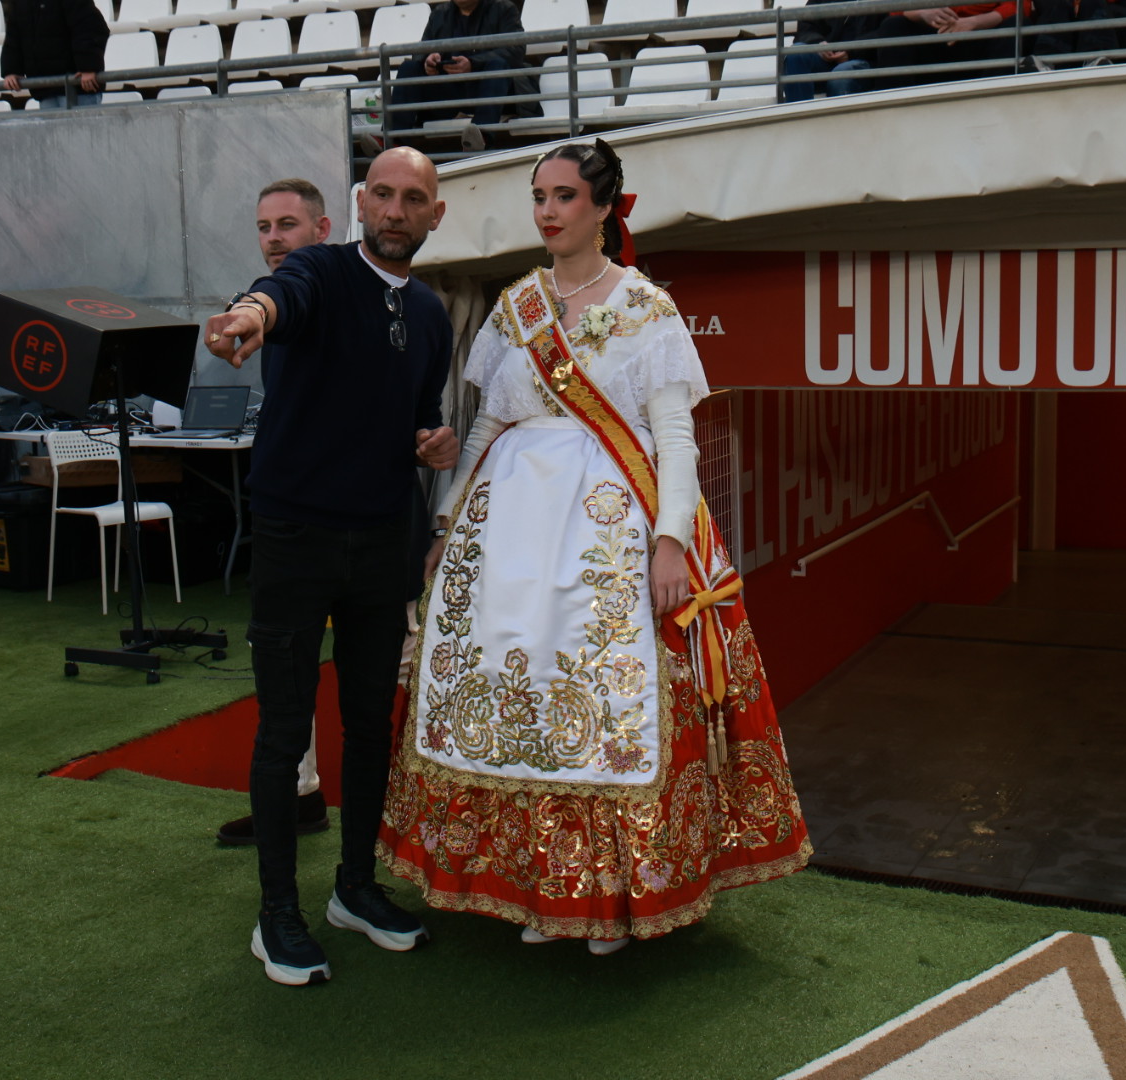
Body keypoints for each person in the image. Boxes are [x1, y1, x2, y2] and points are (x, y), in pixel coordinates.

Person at [377, 140, 810, 954]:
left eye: (565, 196)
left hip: (610, 534)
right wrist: (445, 522)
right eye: (539, 196)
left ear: (605, 207)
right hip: (508, 533)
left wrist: (671, 542)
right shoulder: (516, 308)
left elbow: (675, 439)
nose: (548, 211)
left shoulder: (648, 308)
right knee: (522, 701)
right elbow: (487, 426)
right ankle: (542, 885)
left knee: (607, 707)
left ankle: (611, 896)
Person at [203, 147, 459, 987]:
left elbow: (421, 415)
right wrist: (251, 316)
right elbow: (279, 294)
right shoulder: (317, 268)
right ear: (359, 203)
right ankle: (277, 912)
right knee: (284, 730)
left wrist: (434, 442)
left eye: (412, 198)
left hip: (384, 541)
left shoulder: (430, 313)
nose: (394, 210)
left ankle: (355, 887)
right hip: (296, 536)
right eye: (382, 194)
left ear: (434, 214)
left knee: (369, 724)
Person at [214, 177, 334, 848]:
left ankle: (413, 812)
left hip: (361, 513)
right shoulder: (271, 294)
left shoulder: (341, 290)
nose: (273, 237)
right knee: (283, 659)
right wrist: (249, 315)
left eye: (287, 224)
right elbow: (269, 299)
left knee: (395, 660)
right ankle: (298, 795)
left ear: (322, 228)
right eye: (264, 227)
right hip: (291, 511)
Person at [389, 0, 528, 149]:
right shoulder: (440, 13)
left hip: (492, 91)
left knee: (498, 66)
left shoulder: (504, 8)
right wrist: (428, 60)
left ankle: (481, 136)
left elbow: (516, 50)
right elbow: (421, 50)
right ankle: (394, 140)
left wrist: (473, 63)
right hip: (451, 91)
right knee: (409, 68)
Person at [871, 0, 1030, 87]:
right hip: (933, 37)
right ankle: (895, 98)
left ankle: (994, 93)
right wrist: (922, 12)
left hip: (983, 39)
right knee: (893, 25)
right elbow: (895, 7)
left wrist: (975, 22)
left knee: (1015, 25)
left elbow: (1021, 5)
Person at [0, 0, 108, 109]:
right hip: (45, 88)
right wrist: (11, 70)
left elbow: (90, 28)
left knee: (81, 120)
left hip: (78, 87)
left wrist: (88, 67)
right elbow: (13, 37)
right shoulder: (20, 3)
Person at [782, 0, 885, 102]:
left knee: (841, 75)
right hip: (826, 59)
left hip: (865, 61)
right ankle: (800, 111)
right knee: (796, 54)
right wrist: (818, 44)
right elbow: (806, 28)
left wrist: (851, 51)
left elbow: (886, 30)